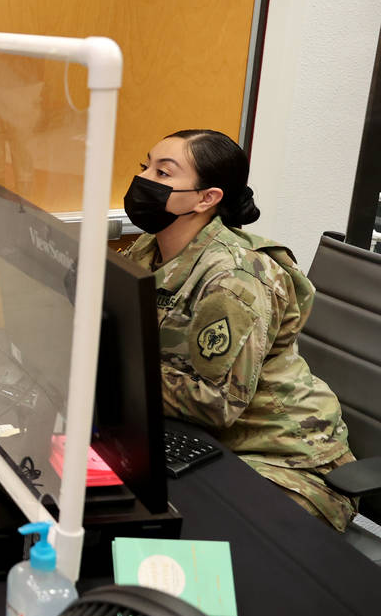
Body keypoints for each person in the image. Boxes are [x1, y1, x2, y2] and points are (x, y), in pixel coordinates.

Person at [122, 128, 357, 531]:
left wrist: (115, 369)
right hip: (207, 446)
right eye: (146, 166)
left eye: (163, 173)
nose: (144, 180)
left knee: (189, 538)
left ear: (207, 198)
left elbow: (215, 403)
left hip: (288, 463)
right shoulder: (147, 250)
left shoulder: (234, 277)